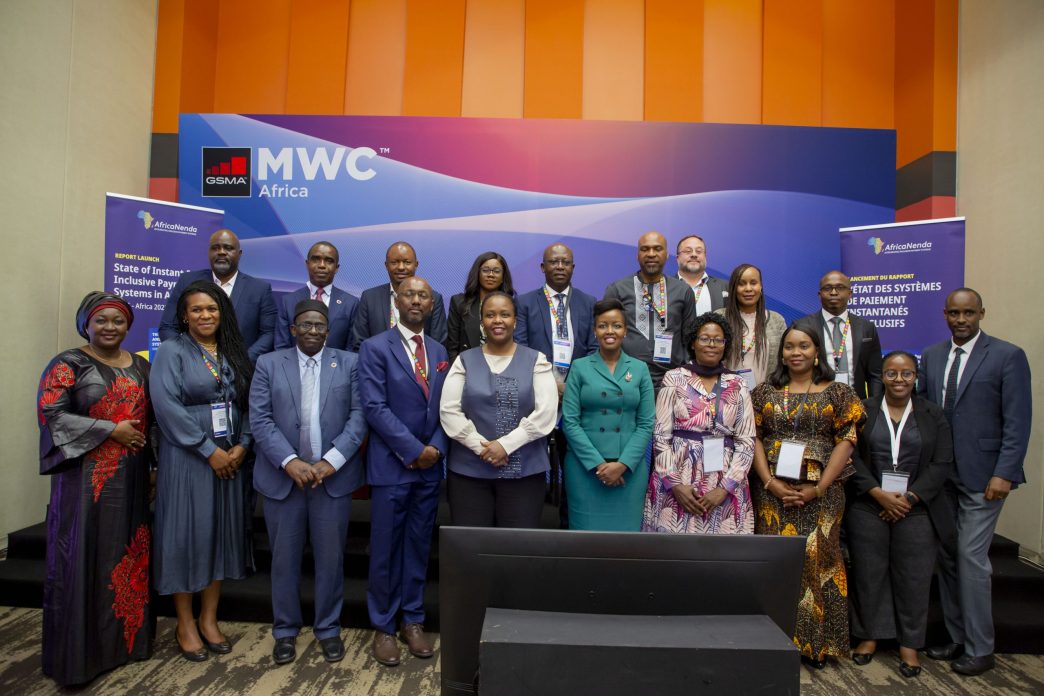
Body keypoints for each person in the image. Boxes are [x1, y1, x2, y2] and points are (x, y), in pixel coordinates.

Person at [37, 292, 153, 686]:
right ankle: (78, 659)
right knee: (82, 558)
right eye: (101, 320)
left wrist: (153, 465)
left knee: (124, 557)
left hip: (133, 478)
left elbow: (151, 419)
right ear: (86, 323)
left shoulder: (140, 365)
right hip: (84, 482)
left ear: (128, 326)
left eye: (117, 321)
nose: (109, 327)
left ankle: (124, 647)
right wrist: (110, 430)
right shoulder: (68, 364)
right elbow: (52, 415)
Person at [918, 288, 1032, 676]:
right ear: (945, 314)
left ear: (981, 312)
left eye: (968, 313)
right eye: (954, 313)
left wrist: (1005, 472)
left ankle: (982, 648)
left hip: (985, 477)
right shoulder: (932, 356)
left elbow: (1018, 421)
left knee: (970, 557)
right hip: (941, 478)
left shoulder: (1007, 356)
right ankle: (957, 638)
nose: (961, 319)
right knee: (949, 558)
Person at [249, 299, 367, 666]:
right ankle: (285, 630)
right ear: (293, 329)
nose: (313, 330)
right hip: (284, 479)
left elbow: (360, 416)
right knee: (284, 560)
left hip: (332, 479)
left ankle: (328, 629)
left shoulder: (349, 362)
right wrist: (290, 461)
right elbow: (261, 419)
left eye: (320, 325)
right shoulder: (269, 363)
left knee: (331, 560)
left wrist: (331, 460)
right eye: (306, 325)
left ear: (328, 331)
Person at [749, 325, 865, 669]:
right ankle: (772, 642)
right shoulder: (764, 392)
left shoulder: (839, 393)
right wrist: (770, 483)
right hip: (773, 494)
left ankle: (816, 645)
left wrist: (819, 487)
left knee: (818, 562)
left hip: (822, 496)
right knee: (777, 565)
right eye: (788, 347)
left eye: (803, 346)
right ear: (781, 353)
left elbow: (847, 441)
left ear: (817, 352)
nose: (795, 352)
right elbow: (753, 436)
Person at [151, 280, 254, 662]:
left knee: (219, 536)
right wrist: (209, 450)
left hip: (230, 459)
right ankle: (185, 622)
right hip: (189, 459)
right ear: (184, 315)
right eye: (196, 310)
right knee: (187, 537)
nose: (205, 316)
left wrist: (242, 445)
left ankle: (209, 619)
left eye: (211, 309)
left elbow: (248, 402)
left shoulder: (231, 351)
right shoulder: (172, 352)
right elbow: (166, 408)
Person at [847, 351, 955, 679]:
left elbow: (942, 462)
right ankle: (869, 637)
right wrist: (879, 494)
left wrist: (908, 497)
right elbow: (850, 456)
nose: (899, 380)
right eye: (892, 374)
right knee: (869, 572)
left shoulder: (932, 414)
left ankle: (910, 643)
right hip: (869, 503)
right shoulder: (862, 410)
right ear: (881, 376)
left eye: (906, 374)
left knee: (914, 576)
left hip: (917, 507)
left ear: (916, 376)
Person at [358, 277, 448, 667]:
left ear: (431, 305)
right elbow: (374, 407)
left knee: (417, 547)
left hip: (429, 470)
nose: (416, 300)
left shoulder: (441, 350)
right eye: (409, 294)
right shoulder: (375, 347)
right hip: (393, 466)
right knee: (385, 551)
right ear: (396, 301)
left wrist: (436, 450)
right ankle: (383, 626)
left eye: (423, 296)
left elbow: (448, 408)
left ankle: (413, 621)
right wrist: (413, 451)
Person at [440, 291, 557, 528]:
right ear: (481, 321)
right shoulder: (464, 360)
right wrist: (482, 447)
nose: (497, 320)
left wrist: (505, 445)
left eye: (505, 314)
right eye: (490, 315)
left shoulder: (537, 361)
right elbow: (449, 411)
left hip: (524, 475)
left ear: (515, 320)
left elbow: (546, 413)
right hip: (469, 475)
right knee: (470, 549)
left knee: (517, 551)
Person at [643, 312, 756, 534]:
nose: (711, 344)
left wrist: (725, 488)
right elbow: (660, 436)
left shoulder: (738, 384)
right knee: (674, 555)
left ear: (726, 345)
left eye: (718, 340)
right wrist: (675, 485)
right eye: (704, 338)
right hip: (677, 480)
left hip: (724, 481)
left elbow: (747, 441)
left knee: (722, 557)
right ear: (693, 342)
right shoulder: (673, 378)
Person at [514, 242, 597, 526]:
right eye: (553, 262)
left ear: (573, 267)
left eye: (565, 262)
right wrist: (551, 386)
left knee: (574, 470)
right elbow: (522, 349)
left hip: (578, 402)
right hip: (537, 400)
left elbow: (594, 349)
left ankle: (570, 532)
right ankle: (532, 533)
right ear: (543, 267)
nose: (559, 267)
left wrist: (571, 388)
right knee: (533, 470)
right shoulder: (524, 303)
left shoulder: (589, 303)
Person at [560, 298, 654, 530]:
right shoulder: (580, 367)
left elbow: (646, 423)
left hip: (629, 469)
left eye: (616, 325)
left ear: (625, 330)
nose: (609, 331)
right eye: (603, 325)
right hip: (585, 469)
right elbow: (570, 422)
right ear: (595, 330)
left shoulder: (640, 369)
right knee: (585, 541)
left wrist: (622, 464)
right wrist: (598, 465)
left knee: (626, 543)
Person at [158, 228, 277, 362]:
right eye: (215, 248)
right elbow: (168, 327)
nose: (221, 252)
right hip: (193, 371)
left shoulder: (259, 289)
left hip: (242, 374)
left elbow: (269, 334)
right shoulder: (188, 281)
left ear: (239, 253)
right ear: (209, 252)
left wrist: (243, 361)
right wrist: (187, 356)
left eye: (228, 248)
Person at [604, 231, 698, 390]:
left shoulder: (683, 291)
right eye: (645, 249)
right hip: (626, 379)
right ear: (637, 255)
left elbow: (690, 339)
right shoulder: (618, 289)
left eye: (657, 249)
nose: (651, 254)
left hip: (672, 381)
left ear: (667, 254)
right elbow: (605, 335)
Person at [794, 270, 883, 399]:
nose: (834, 292)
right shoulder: (803, 326)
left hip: (856, 402)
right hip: (815, 403)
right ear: (819, 295)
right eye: (828, 288)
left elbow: (875, 374)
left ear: (850, 293)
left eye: (840, 288)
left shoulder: (866, 327)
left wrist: (874, 406)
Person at [351, 241, 448, 349]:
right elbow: (358, 343)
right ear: (386, 265)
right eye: (394, 262)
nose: (401, 267)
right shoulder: (369, 297)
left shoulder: (433, 298)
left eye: (407, 262)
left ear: (416, 265)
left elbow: (438, 343)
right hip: (377, 363)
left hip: (419, 364)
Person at [275, 241, 359, 351]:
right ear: (307, 264)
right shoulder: (288, 301)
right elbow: (281, 348)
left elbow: (352, 348)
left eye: (329, 261)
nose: (322, 265)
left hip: (337, 366)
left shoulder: (351, 303)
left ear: (337, 268)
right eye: (316, 259)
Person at [716, 263, 786, 390]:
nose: (748, 288)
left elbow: (784, 363)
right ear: (733, 288)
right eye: (741, 284)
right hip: (727, 399)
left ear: (761, 287)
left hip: (766, 399)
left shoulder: (777, 320)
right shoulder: (719, 317)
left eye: (753, 283)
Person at [446, 251, 515, 363]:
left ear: (503, 276)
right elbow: (452, 347)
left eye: (496, 271)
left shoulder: (513, 305)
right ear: (477, 273)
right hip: (468, 367)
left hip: (504, 366)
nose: (491, 274)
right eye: (485, 270)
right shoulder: (459, 302)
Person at [675, 235, 728, 314]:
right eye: (688, 251)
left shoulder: (725, 287)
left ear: (705, 257)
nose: (694, 255)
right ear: (678, 258)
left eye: (699, 251)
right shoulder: (665, 286)